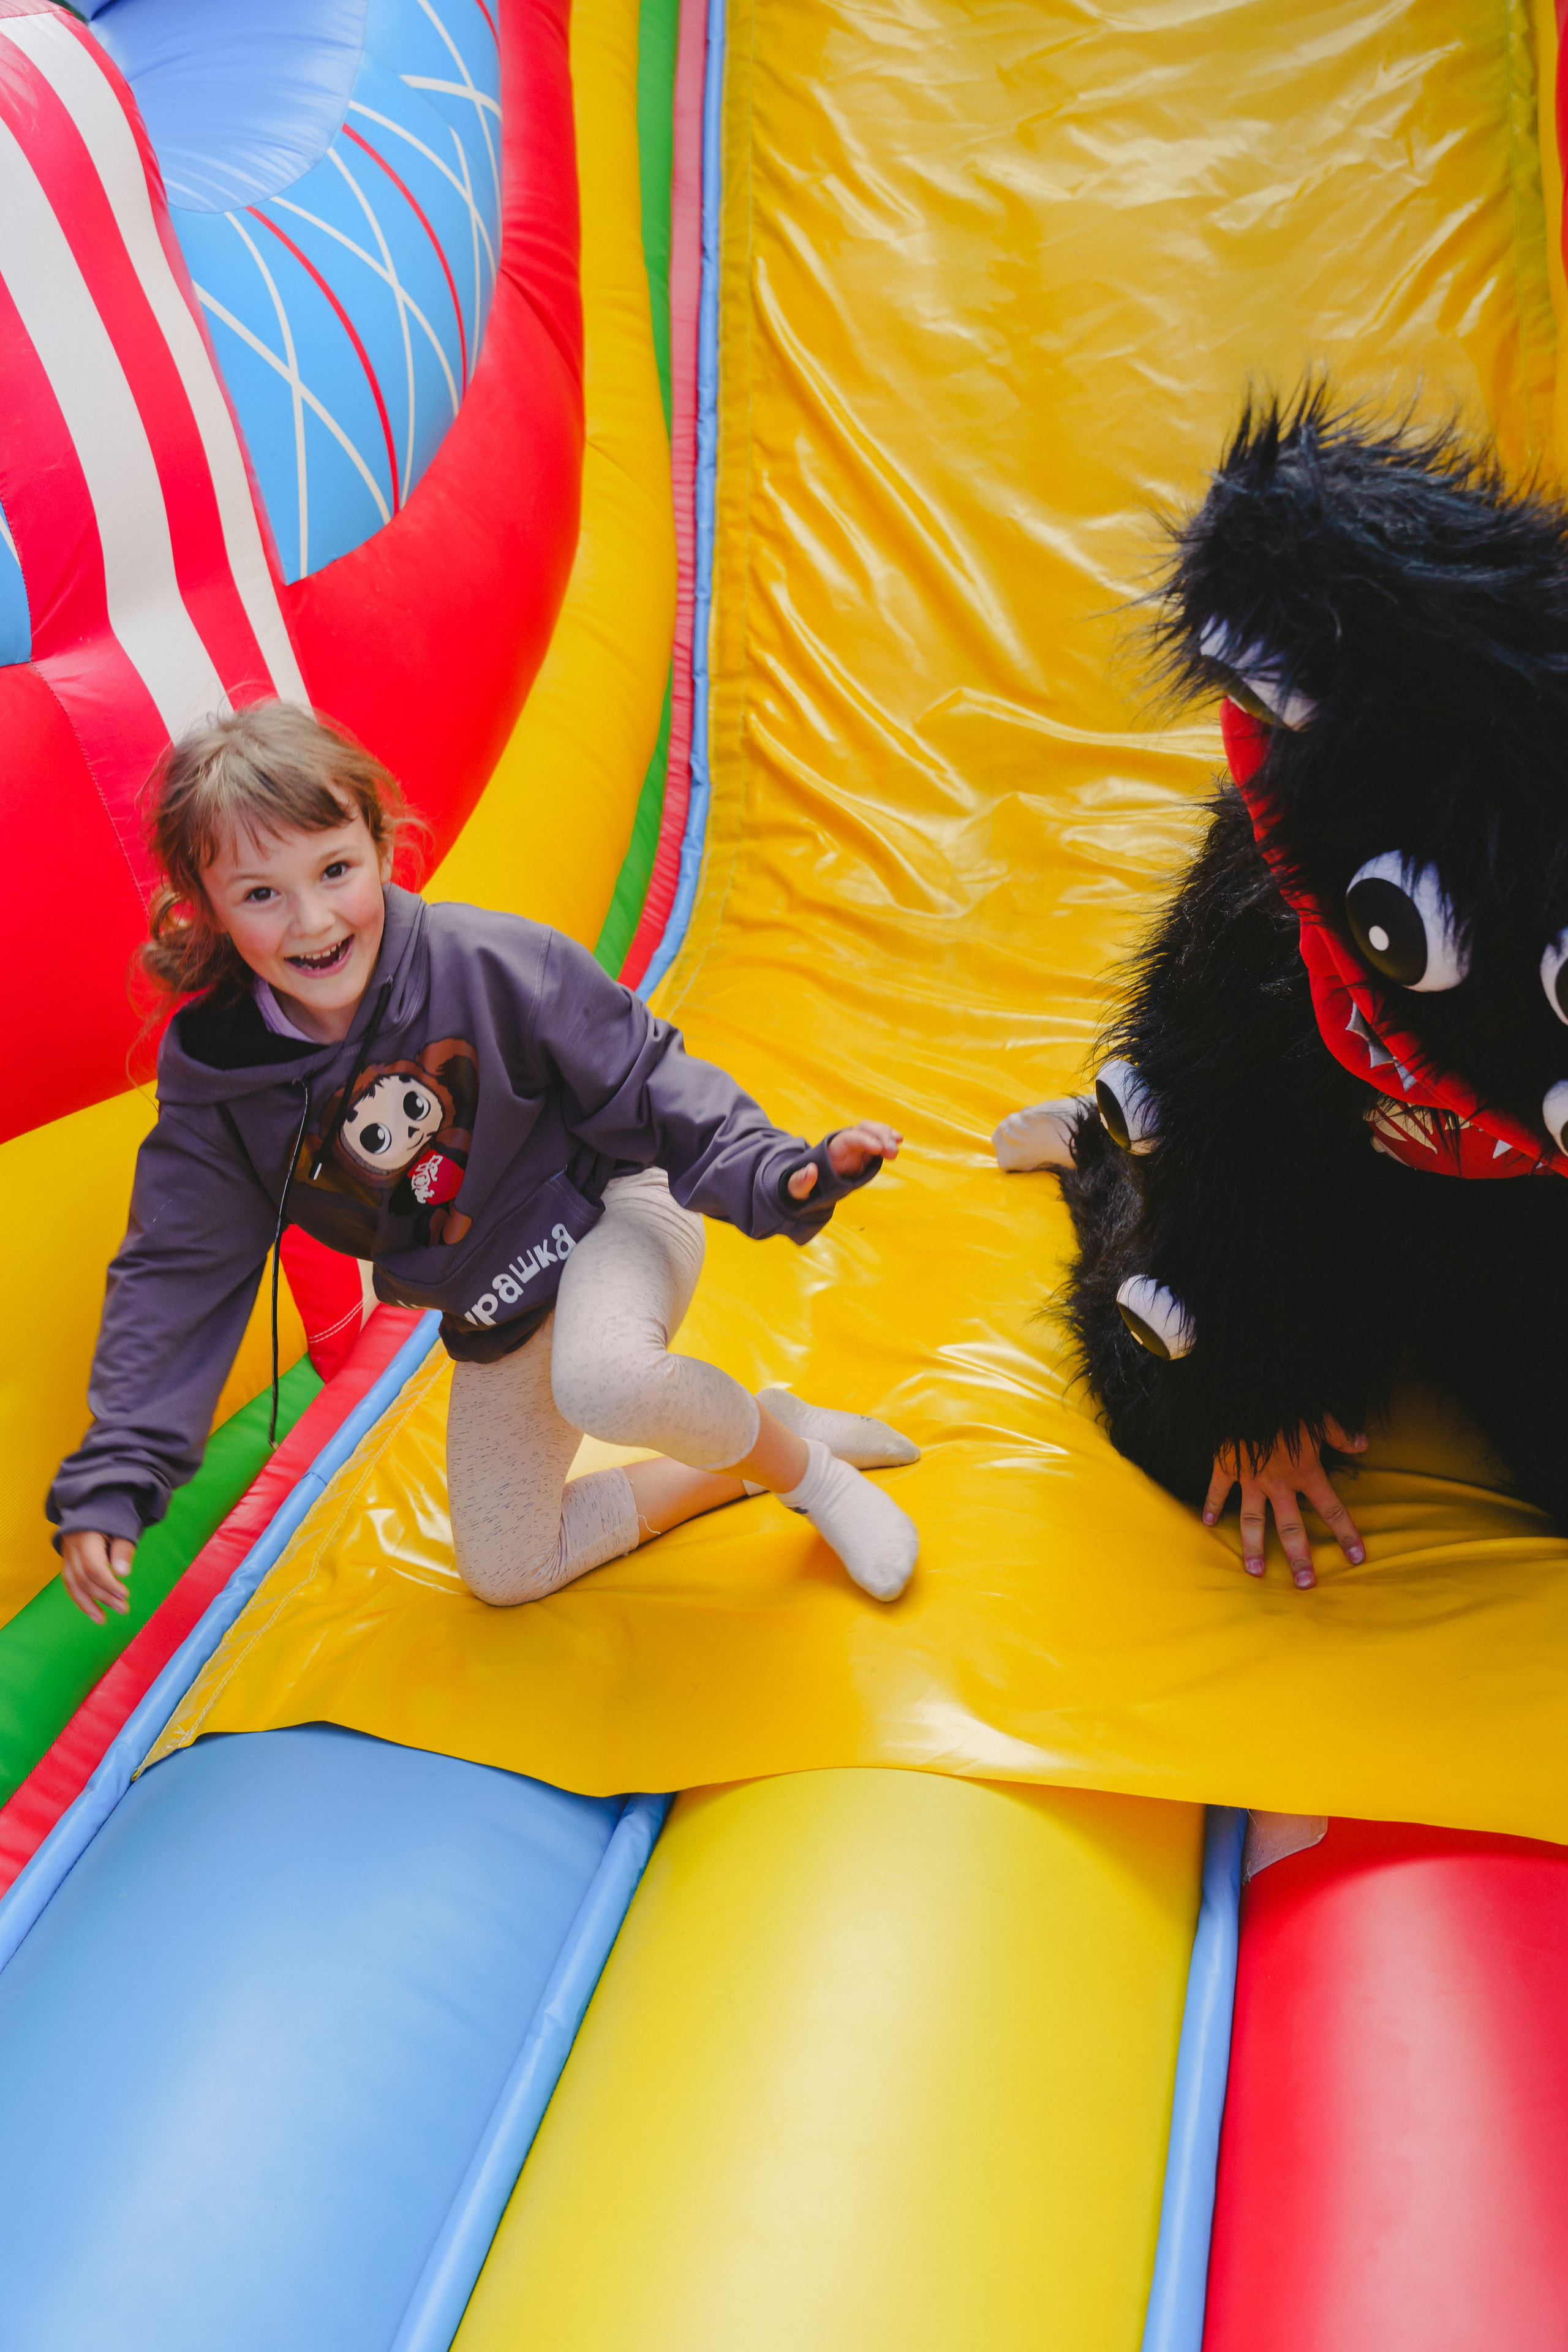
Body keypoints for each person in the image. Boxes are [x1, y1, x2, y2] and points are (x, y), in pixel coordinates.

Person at [51, 701, 920, 1625]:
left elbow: (648, 1077)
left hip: (614, 1210)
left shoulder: (493, 963)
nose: (312, 921)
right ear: (210, 910)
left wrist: (778, 1168)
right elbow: (178, 1267)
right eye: (261, 894)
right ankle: (763, 1438)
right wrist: (119, 1471)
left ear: (381, 849)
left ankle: (812, 1478)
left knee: (606, 1378)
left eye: (336, 871)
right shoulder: (228, 1077)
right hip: (500, 1296)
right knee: (510, 1563)